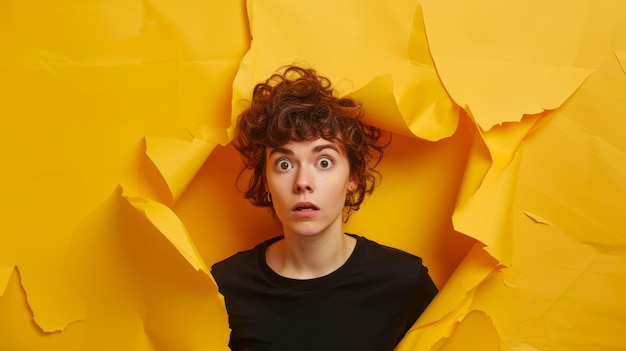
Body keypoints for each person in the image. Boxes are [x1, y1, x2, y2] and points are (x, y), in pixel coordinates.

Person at [211, 65, 438, 351]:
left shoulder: (404, 282)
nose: (303, 182)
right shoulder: (223, 288)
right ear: (266, 180)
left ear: (352, 178)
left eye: (324, 162)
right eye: (284, 164)